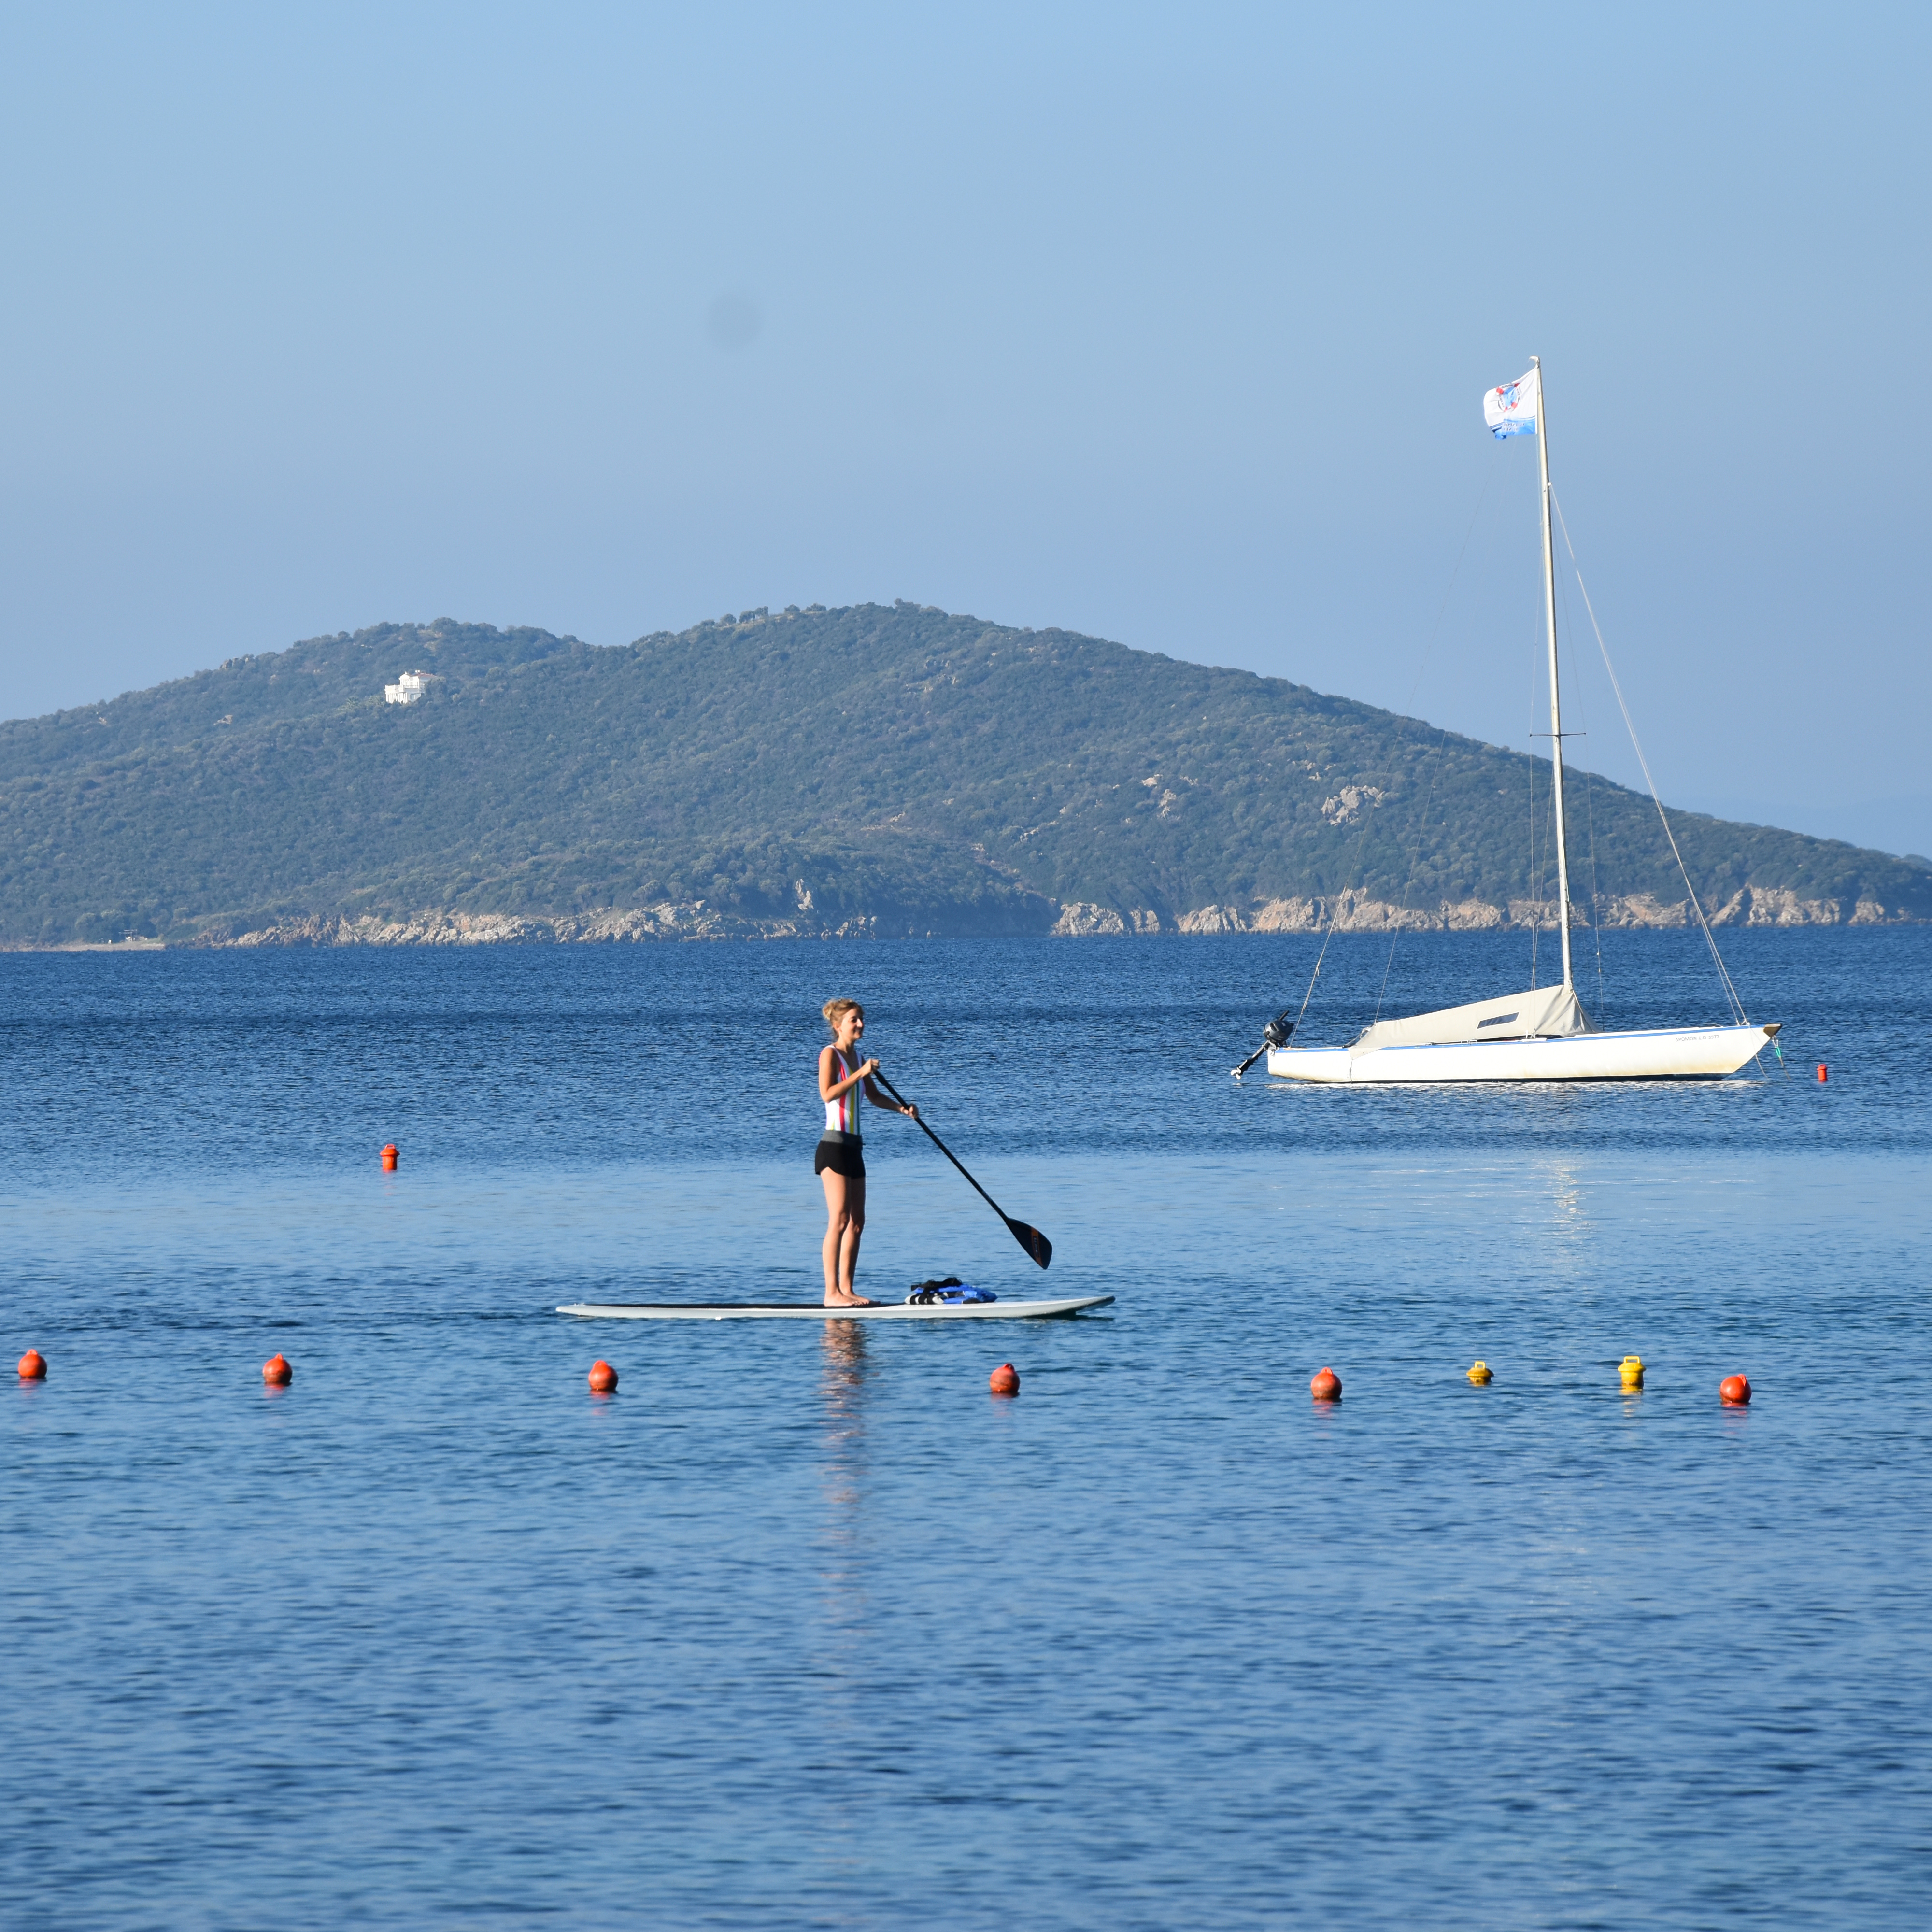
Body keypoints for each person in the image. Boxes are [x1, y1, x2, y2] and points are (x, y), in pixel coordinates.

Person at [815, 998, 916, 1307]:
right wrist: (860, 1073)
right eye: (854, 1020)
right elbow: (828, 1094)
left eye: (861, 1019)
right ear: (838, 1026)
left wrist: (902, 1109)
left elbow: (872, 1096)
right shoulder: (830, 1054)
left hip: (854, 1148)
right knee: (839, 1220)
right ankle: (831, 1293)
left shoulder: (857, 1056)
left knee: (858, 1221)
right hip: (833, 1147)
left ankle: (847, 1290)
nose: (860, 1024)